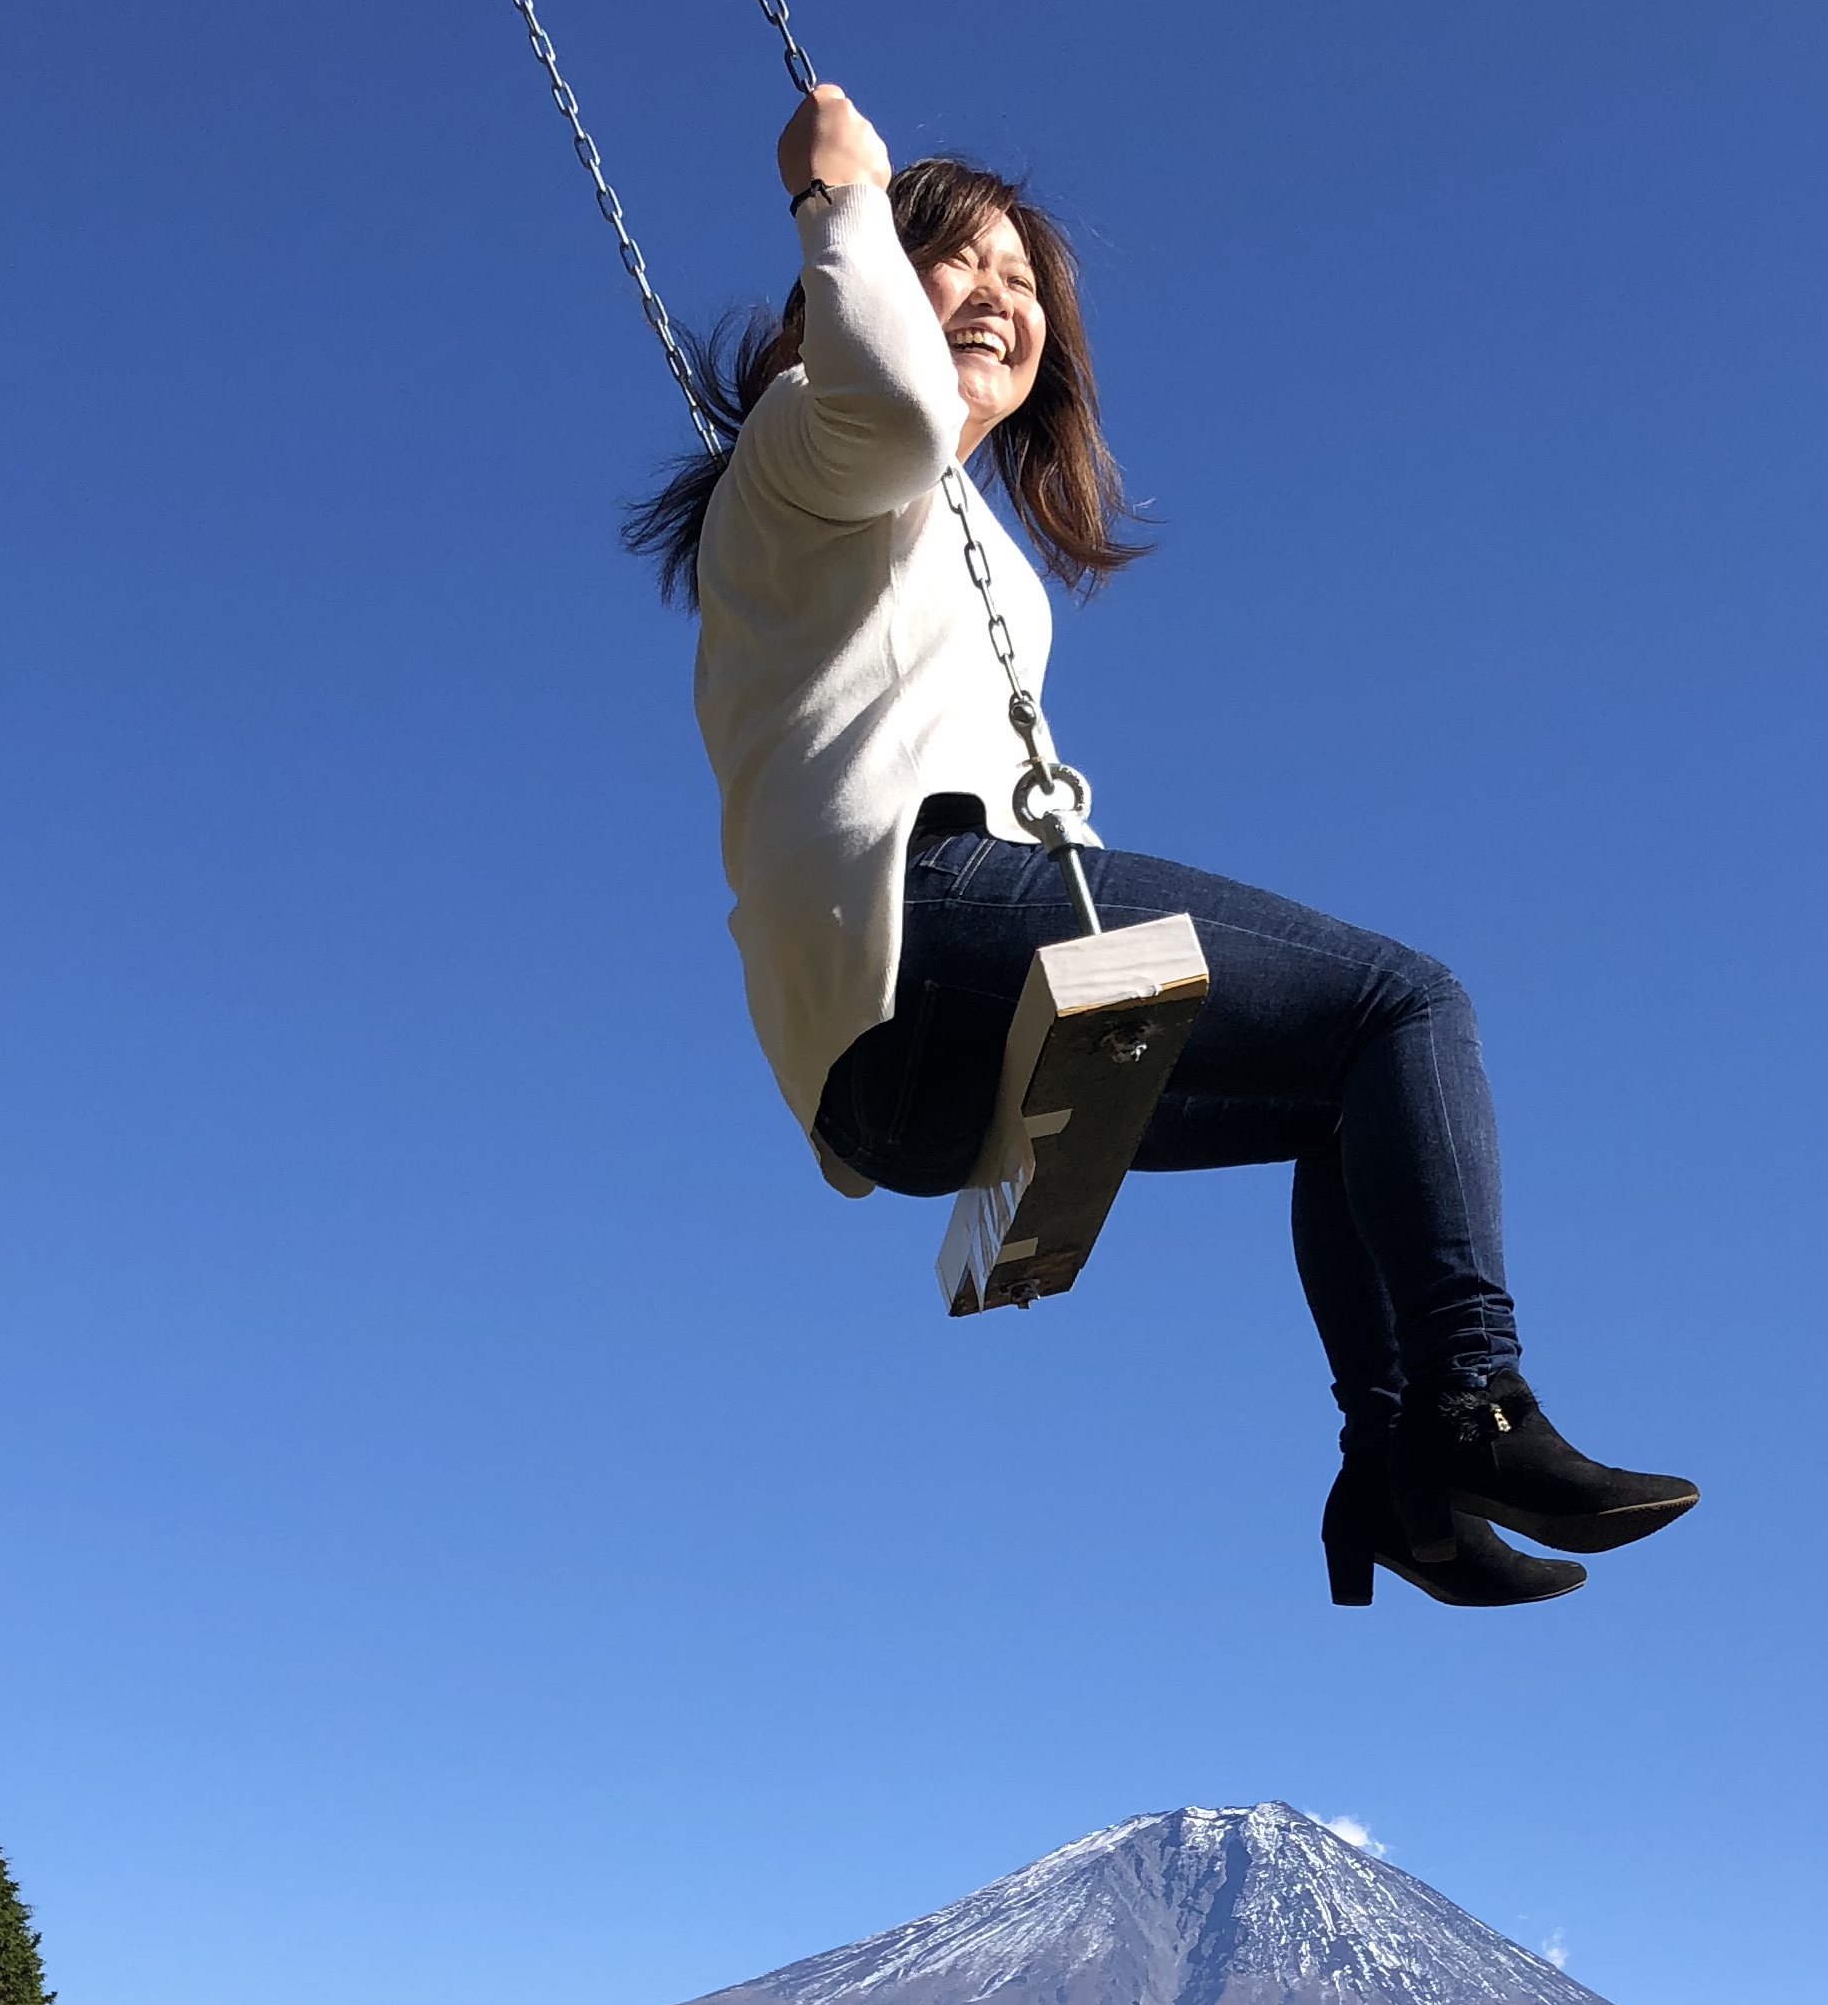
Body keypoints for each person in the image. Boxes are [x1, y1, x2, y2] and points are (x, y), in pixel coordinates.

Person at [631, 81, 1697, 1608]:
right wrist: (836, 195)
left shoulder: (920, 511)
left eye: (1022, 281)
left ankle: (1395, 1473)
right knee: (1407, 1003)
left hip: (885, 1081)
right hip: (925, 924)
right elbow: (891, 404)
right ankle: (1478, 1402)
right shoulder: (811, 438)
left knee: (1354, 1093)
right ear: (855, 289)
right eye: (958, 259)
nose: (998, 295)